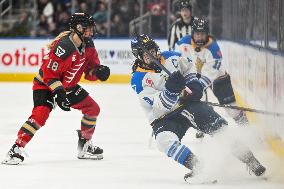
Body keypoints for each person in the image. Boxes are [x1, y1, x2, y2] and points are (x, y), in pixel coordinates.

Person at [130, 34, 266, 183]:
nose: (152, 56)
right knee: (164, 141)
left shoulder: (172, 57)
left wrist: (194, 85)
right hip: (165, 116)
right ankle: (200, 168)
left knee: (220, 128)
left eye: (152, 51)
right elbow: (162, 105)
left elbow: (188, 70)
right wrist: (171, 90)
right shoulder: (138, 79)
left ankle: (251, 160)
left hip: (188, 104)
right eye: (146, 54)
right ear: (139, 57)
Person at [2, 13, 110, 165]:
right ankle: (16, 148)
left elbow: (90, 72)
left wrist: (98, 72)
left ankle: (85, 146)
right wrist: (59, 94)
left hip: (67, 87)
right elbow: (49, 74)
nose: (91, 32)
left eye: (91, 29)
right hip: (45, 86)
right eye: (88, 29)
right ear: (78, 28)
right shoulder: (63, 47)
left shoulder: (89, 46)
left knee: (93, 109)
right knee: (40, 115)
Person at [176, 18, 249, 126]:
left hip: (218, 79)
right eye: (197, 34)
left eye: (202, 34)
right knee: (191, 106)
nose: (199, 37)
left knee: (232, 109)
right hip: (194, 77)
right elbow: (177, 62)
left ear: (207, 34)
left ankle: (246, 126)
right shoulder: (182, 44)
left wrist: (195, 88)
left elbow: (209, 75)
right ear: (192, 34)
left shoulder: (214, 49)